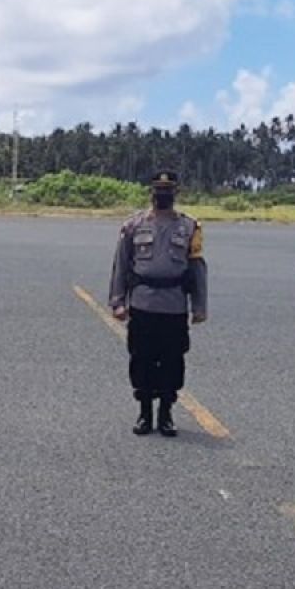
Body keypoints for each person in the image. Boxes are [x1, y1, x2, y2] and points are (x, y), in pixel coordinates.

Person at [109, 170, 208, 436]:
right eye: (158, 190)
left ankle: (166, 414)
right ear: (151, 193)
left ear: (176, 193)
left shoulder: (189, 227)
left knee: (172, 362)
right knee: (141, 361)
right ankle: (144, 414)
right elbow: (121, 265)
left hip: (174, 306)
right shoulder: (133, 226)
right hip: (142, 305)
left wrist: (199, 306)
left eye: (168, 190)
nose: (162, 195)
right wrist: (118, 301)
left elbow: (197, 268)